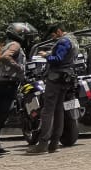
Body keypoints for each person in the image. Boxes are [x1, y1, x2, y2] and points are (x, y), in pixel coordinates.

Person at [0, 22, 34, 158]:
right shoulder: (15, 45)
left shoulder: (11, 44)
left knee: (1, 116)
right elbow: (5, 57)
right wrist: (19, 68)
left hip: (5, 83)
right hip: (7, 84)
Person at [27, 24, 77, 154]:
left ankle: (43, 144)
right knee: (59, 109)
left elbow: (58, 59)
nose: (53, 38)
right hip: (66, 78)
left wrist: (46, 56)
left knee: (47, 111)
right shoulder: (73, 40)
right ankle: (54, 144)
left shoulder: (63, 41)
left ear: (59, 31)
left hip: (55, 78)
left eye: (53, 35)